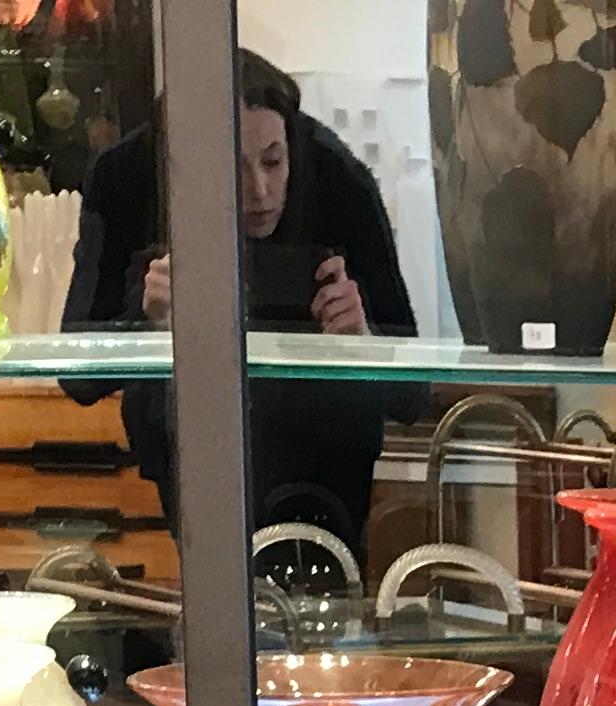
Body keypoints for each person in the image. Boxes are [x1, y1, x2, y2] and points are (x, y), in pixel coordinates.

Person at [64, 55, 423, 539]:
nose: (260, 190)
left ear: (293, 145)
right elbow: (77, 378)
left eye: (274, 161)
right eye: (232, 169)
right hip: (188, 452)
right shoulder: (125, 179)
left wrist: (362, 337)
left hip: (328, 456)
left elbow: (412, 396)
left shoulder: (339, 178)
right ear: (184, 162)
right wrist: (144, 322)